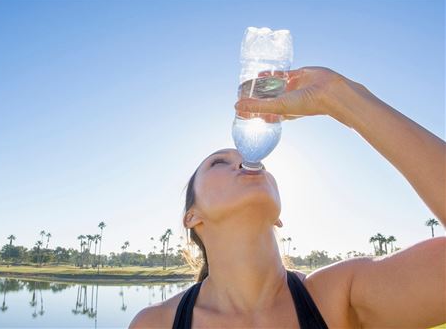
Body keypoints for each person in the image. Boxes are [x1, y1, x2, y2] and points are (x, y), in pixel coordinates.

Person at [130, 67, 445, 328]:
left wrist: (341, 97)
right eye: (219, 161)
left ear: (278, 215)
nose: (244, 160)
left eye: (251, 160)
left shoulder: (336, 297)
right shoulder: (155, 323)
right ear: (192, 216)